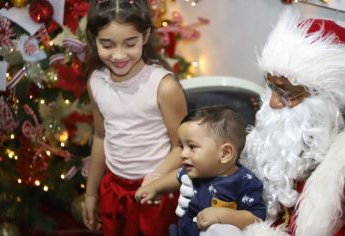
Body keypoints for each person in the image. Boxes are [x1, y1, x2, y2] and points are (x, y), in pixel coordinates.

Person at [179, 9, 345, 236]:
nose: (273, 103)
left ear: (327, 100)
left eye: (286, 93)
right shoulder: (265, 141)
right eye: (271, 87)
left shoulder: (339, 171)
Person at [82, 0, 187, 235]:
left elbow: (182, 147)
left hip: (157, 193)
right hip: (114, 190)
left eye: (130, 43)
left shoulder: (163, 86)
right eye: (107, 44)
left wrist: (156, 180)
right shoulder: (96, 82)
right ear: (93, 39)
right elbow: (100, 137)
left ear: (146, 35)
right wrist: (91, 193)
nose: (118, 55)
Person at [135, 105, 266, 236]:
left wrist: (224, 216)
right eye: (182, 146)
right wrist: (154, 187)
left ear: (225, 153)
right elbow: (177, 176)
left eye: (192, 147)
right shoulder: (197, 171)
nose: (183, 154)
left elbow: (256, 217)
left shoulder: (245, 181)